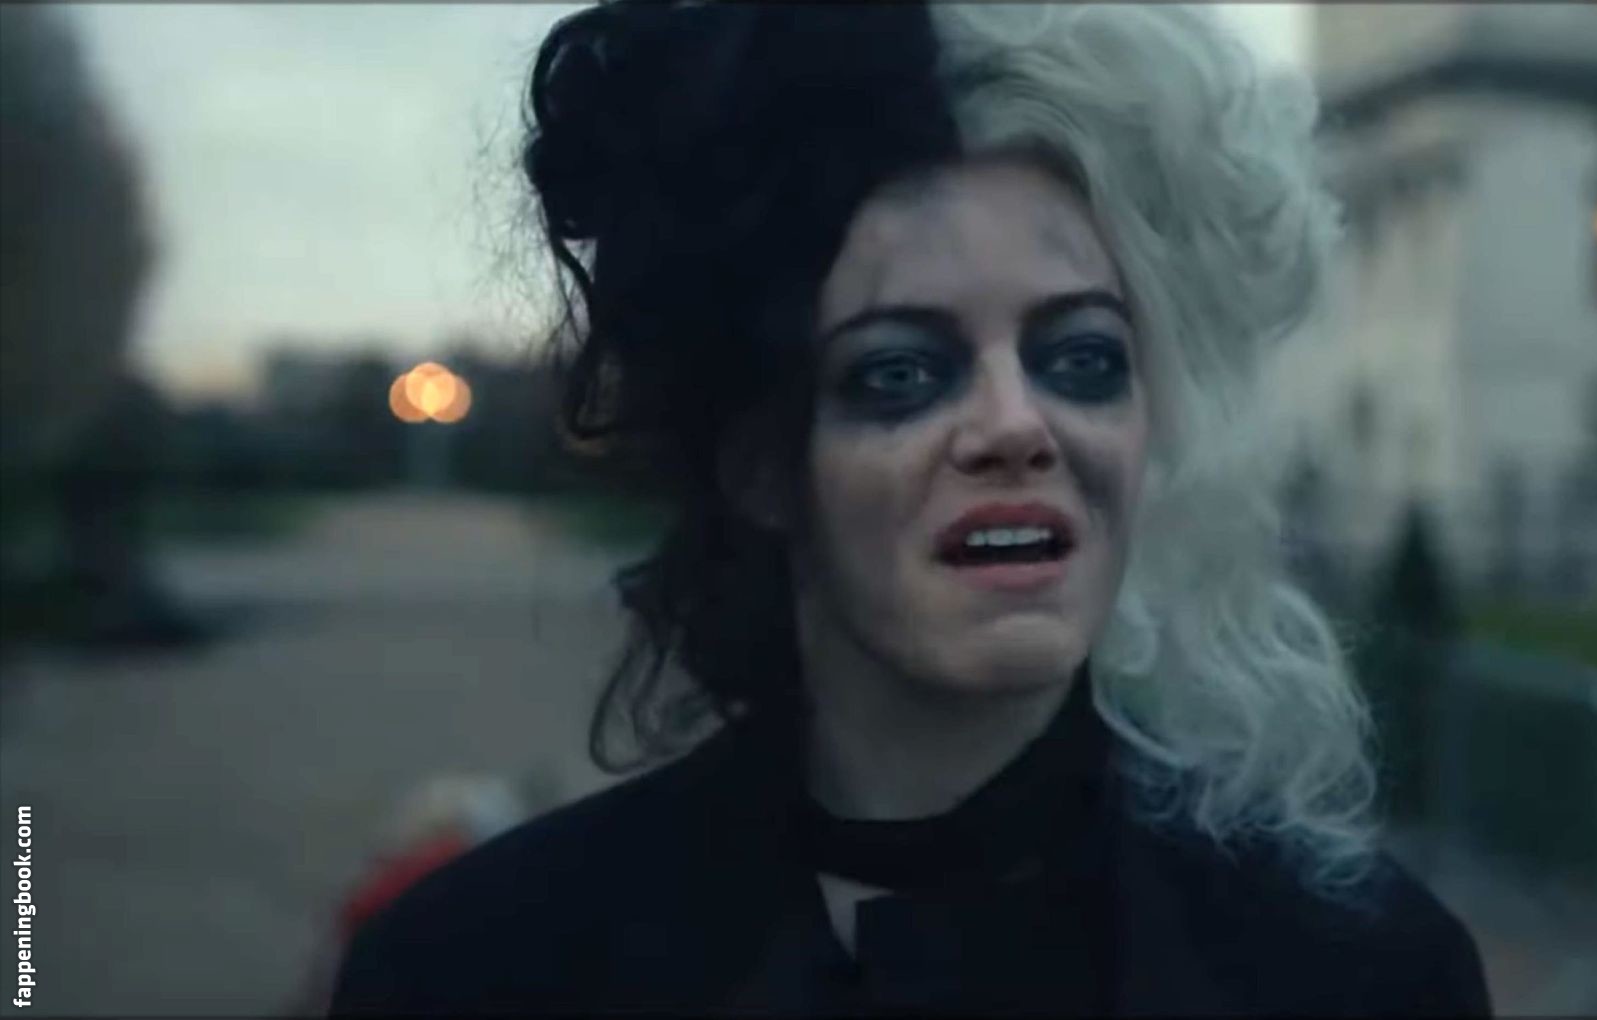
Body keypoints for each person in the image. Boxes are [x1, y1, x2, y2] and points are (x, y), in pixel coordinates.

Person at [331, 3, 1492, 1015]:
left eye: (1082, 359)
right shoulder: (474, 971)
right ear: (760, 462)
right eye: (902, 371)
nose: (1016, 424)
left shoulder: (1365, 977)